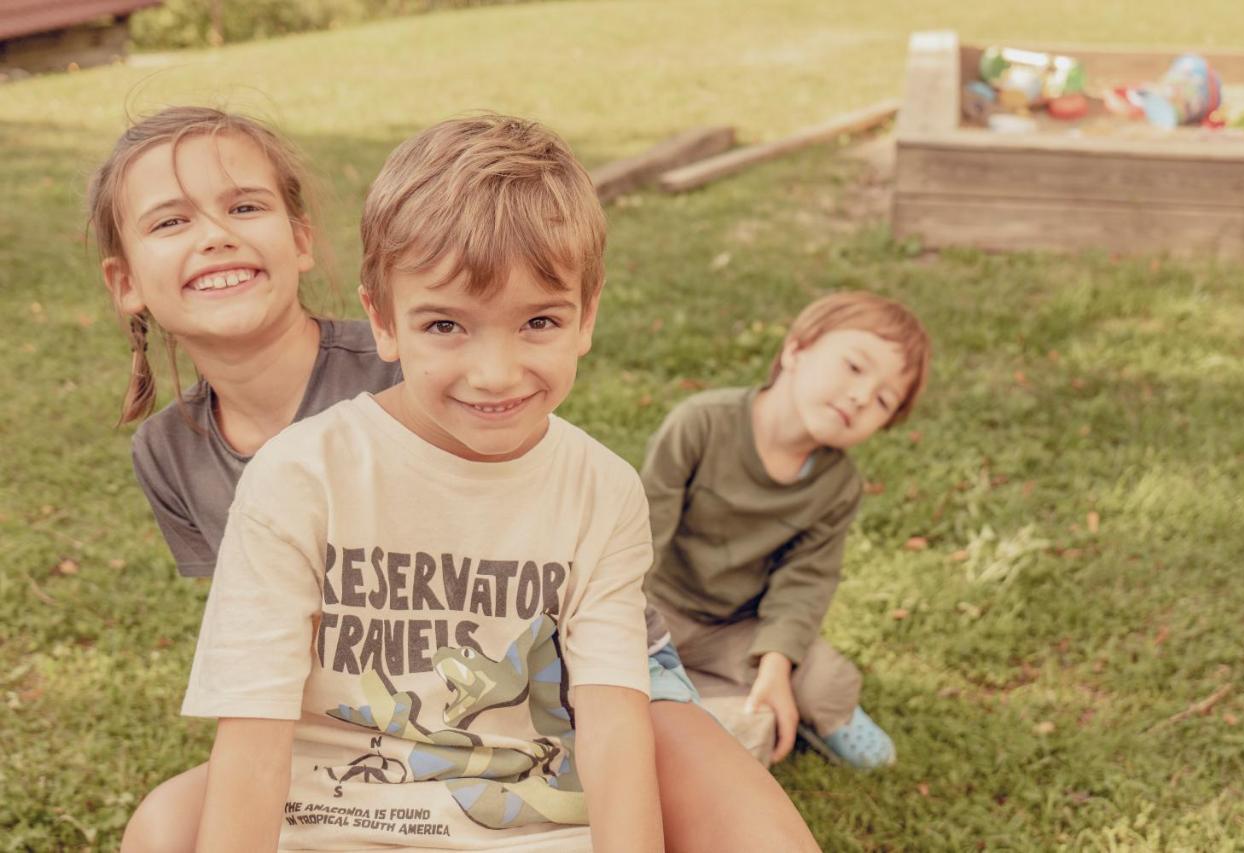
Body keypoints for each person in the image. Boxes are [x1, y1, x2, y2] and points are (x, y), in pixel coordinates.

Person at [92, 107, 818, 851]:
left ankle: (716, 730)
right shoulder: (203, 455)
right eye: (172, 220)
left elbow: (608, 706)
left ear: (302, 236)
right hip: (390, 703)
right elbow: (262, 676)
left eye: (244, 205)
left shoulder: (455, 391)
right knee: (164, 826)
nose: (217, 234)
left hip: (592, 662)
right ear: (391, 322)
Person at [641, 291, 931, 770]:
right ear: (797, 349)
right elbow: (643, 532)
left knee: (824, 681)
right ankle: (691, 700)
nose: (861, 397)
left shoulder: (838, 485)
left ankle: (795, 710)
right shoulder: (701, 424)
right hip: (657, 605)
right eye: (855, 368)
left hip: (737, 628)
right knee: (595, 659)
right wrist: (630, 624)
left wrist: (776, 665)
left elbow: (806, 581)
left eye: (882, 400)